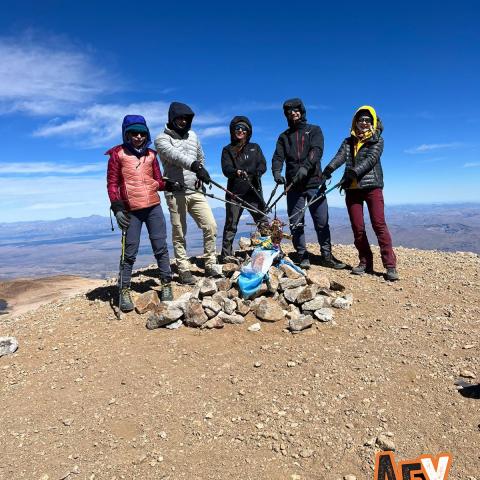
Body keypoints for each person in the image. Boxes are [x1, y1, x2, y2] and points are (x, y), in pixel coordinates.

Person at [107, 114, 179, 312]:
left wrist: (169, 184)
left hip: (153, 206)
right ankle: (124, 289)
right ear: (127, 134)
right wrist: (117, 207)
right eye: (134, 133)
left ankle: (166, 283)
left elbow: (157, 180)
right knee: (129, 251)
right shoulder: (117, 155)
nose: (138, 137)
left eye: (142, 133)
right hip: (131, 210)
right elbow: (112, 183)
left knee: (160, 247)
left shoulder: (151, 155)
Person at [323, 105, 399, 281]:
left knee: (379, 224)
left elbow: (371, 159)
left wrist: (353, 173)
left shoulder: (377, 140)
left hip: (372, 187)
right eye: (361, 119)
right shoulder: (348, 141)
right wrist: (328, 169)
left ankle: (390, 266)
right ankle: (365, 262)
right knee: (357, 227)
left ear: (372, 122)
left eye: (367, 120)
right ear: (355, 122)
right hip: (352, 190)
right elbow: (340, 157)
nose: (364, 123)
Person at [272, 98, 346, 270]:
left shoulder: (314, 130)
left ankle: (327, 256)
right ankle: (302, 255)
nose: (293, 113)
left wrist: (305, 168)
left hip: (314, 183)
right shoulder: (284, 137)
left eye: (296, 110)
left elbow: (317, 150)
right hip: (293, 186)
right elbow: (278, 157)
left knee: (321, 222)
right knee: (296, 223)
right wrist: (276, 172)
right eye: (289, 112)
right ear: (286, 116)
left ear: (302, 111)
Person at [155, 102, 220, 284]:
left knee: (211, 225)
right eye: (179, 118)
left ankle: (210, 263)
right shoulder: (161, 139)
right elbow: (174, 156)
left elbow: (201, 156)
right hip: (176, 192)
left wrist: (201, 171)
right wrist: (196, 166)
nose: (183, 121)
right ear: (171, 118)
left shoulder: (193, 135)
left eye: (186, 118)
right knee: (179, 231)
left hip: (196, 190)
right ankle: (183, 268)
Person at [220, 116, 267, 263]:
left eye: (243, 129)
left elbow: (262, 165)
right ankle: (226, 255)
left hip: (254, 193)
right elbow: (226, 169)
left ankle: (271, 250)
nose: (240, 130)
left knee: (262, 221)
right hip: (235, 193)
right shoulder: (227, 150)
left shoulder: (255, 148)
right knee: (231, 224)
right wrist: (237, 172)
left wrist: (257, 173)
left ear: (248, 132)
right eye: (237, 128)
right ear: (233, 131)